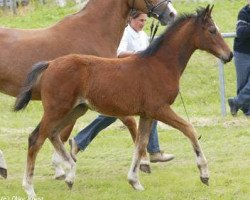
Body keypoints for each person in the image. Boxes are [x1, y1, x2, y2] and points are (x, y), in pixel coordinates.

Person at [70, 10, 174, 165]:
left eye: (145, 21)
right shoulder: (126, 33)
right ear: (131, 19)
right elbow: (119, 53)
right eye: (140, 20)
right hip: (126, 82)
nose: (142, 24)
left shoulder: (143, 35)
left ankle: (154, 151)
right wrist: (139, 54)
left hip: (141, 83)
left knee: (146, 113)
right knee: (111, 115)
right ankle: (154, 151)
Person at [228, 0, 250, 117]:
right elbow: (241, 32)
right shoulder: (243, 13)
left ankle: (236, 102)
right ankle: (246, 110)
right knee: (243, 84)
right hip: (242, 53)